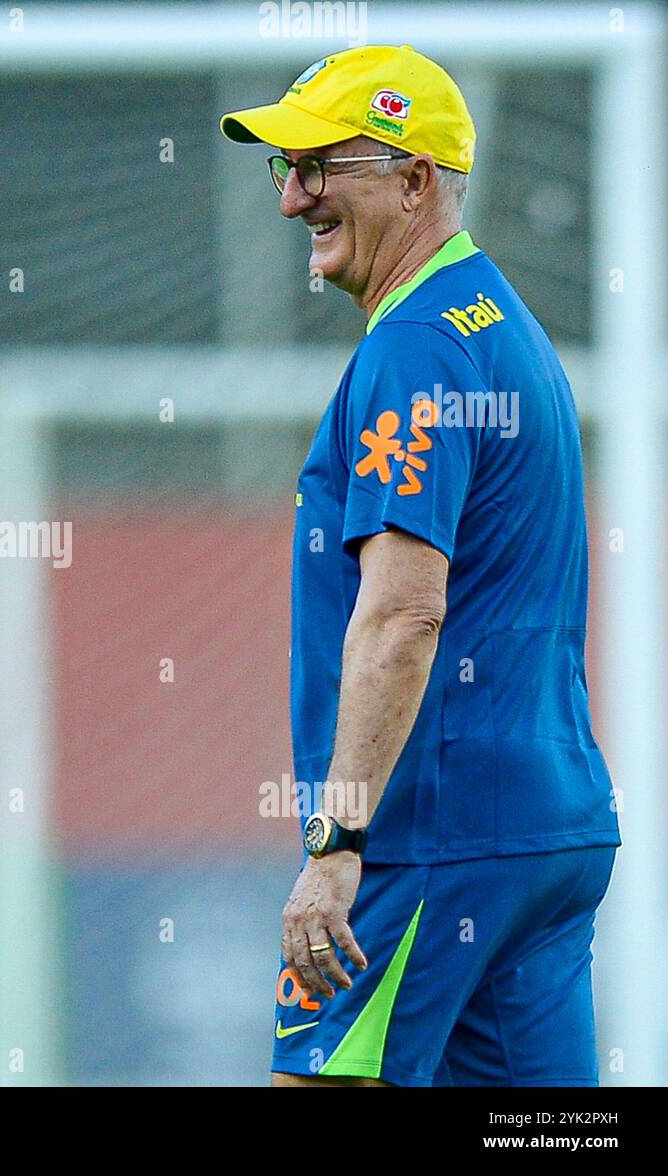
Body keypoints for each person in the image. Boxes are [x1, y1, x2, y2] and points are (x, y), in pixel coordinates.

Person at [219, 43, 620, 1086]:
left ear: (413, 181)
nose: (291, 198)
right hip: (547, 830)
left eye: (319, 168)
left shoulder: (417, 347)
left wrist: (338, 839)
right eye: (284, 168)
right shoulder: (502, 326)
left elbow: (402, 614)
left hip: (426, 837)